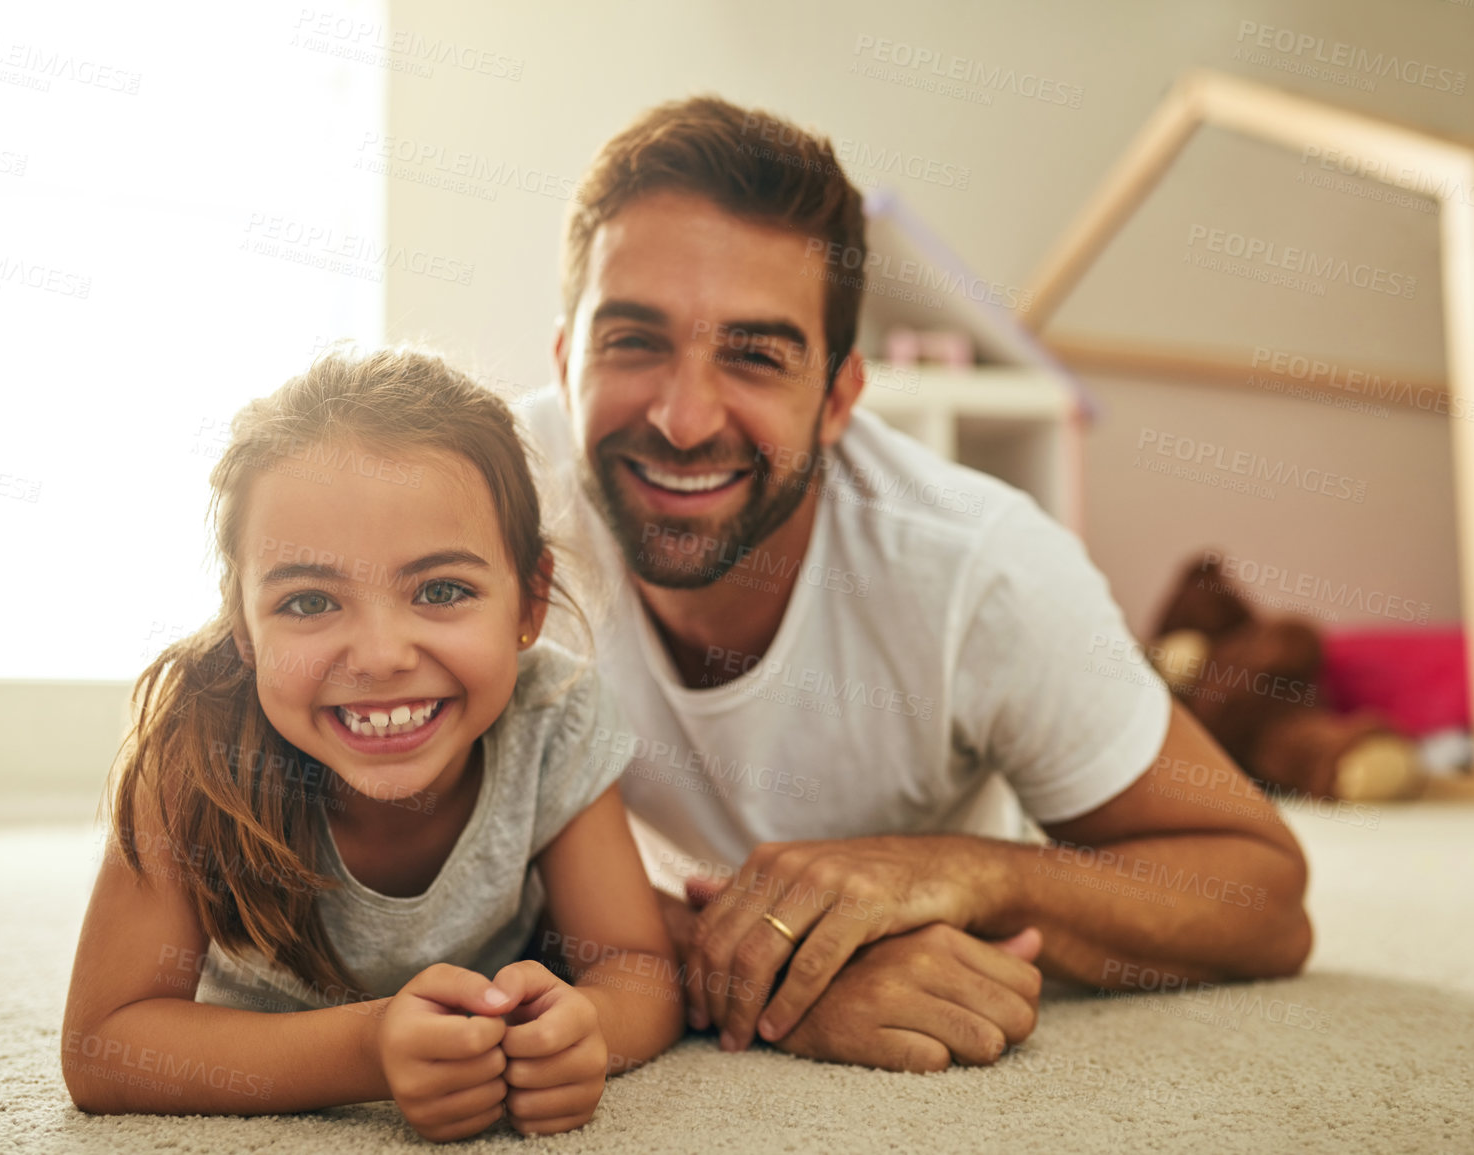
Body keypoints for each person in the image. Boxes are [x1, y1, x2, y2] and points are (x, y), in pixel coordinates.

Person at [520, 96, 1313, 1072]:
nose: (684, 420)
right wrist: (770, 970)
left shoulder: (979, 570)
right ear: (565, 362)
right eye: (632, 341)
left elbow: (1266, 901)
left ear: (841, 399)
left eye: (756, 356)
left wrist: (967, 876)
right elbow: (395, 860)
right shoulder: (490, 510)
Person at [62, 348, 681, 1140]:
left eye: (442, 590)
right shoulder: (193, 744)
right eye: (310, 600)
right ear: (243, 627)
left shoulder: (552, 713)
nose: (382, 654)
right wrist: (367, 1048)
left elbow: (638, 969)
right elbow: (103, 1044)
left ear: (528, 600)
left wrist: (584, 1028)